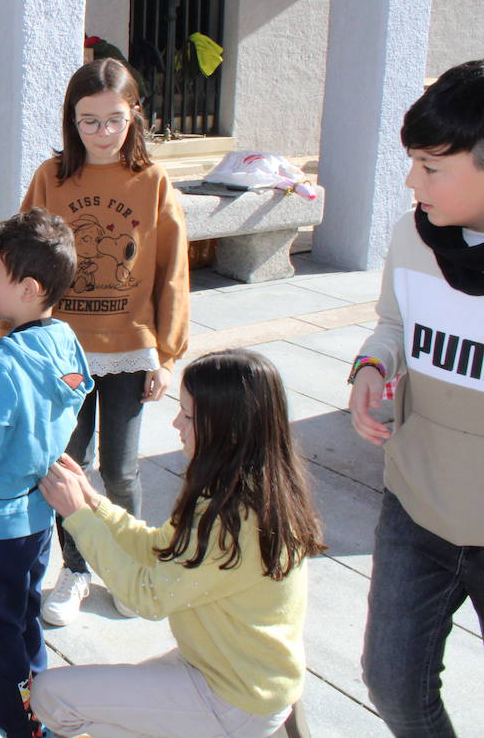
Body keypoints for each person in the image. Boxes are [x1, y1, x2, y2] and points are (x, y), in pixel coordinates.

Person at [34, 348, 325, 738]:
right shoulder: (246, 489)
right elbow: (160, 548)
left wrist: (78, 517)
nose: (175, 423)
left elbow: (147, 596)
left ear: (230, 429)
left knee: (51, 695)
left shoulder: (232, 517)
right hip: (235, 675)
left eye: (188, 416)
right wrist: (93, 502)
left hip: (235, 698)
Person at [23, 58, 190, 627]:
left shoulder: (153, 181)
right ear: (72, 120)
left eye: (113, 120)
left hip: (128, 351)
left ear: (134, 115)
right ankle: (75, 569)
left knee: (120, 471)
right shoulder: (52, 176)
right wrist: (16, 339)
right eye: (88, 121)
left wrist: (166, 353)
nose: (101, 132)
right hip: (63, 350)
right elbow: (25, 260)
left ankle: (130, 567)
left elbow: (172, 269)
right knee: (69, 464)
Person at [348, 60, 484, 737]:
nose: (411, 183)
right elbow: (394, 324)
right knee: (393, 684)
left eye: (432, 167)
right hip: (415, 508)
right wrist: (372, 367)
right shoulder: (413, 235)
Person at [0, 210, 92, 738]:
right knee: (24, 616)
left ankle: (20, 723)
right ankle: (42, 707)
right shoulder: (64, 340)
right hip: (37, 518)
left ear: (29, 288)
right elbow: (74, 398)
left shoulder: (3, 364)